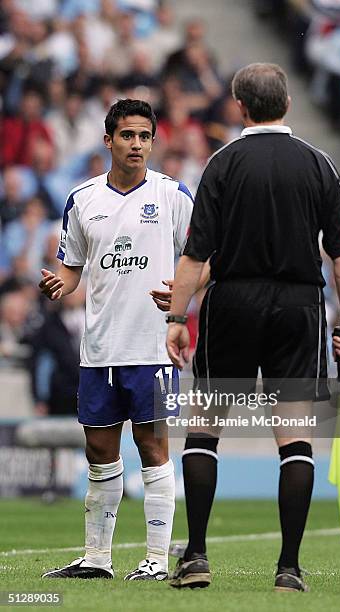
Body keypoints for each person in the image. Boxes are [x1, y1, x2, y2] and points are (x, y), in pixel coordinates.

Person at [166, 63, 340, 592]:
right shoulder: (319, 165)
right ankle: (289, 569)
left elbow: (195, 254)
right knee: (294, 439)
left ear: (240, 108)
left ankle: (198, 556)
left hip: (232, 301)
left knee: (204, 426)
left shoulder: (222, 164)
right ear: (288, 104)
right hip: (299, 306)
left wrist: (176, 317)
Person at [40, 99, 194, 581]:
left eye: (145, 136)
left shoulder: (172, 196)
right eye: (127, 135)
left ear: (153, 141)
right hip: (100, 350)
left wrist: (184, 293)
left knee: (153, 448)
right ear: (108, 140)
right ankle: (97, 559)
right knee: (100, 454)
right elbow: (72, 268)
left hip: (152, 347)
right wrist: (60, 284)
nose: (137, 144)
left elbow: (205, 257)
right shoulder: (83, 199)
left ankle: (153, 558)